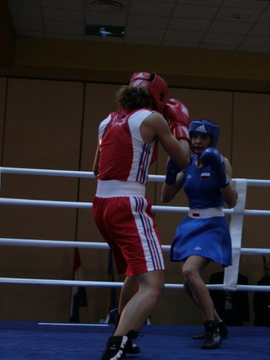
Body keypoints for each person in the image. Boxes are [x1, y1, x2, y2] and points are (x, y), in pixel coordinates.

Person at [92, 72, 191, 360]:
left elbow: (96, 170)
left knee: (135, 273)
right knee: (154, 285)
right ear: (158, 96)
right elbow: (184, 159)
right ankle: (117, 344)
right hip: (128, 205)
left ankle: (123, 331)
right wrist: (180, 126)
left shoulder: (107, 120)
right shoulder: (152, 118)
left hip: (101, 204)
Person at [161, 119, 238, 350]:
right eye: (194, 136)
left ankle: (210, 327)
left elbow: (232, 201)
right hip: (190, 225)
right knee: (188, 284)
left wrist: (221, 175)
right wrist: (170, 174)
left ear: (212, 140)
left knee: (190, 271)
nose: (197, 141)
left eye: (203, 137)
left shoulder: (221, 161)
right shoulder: (187, 164)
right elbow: (166, 197)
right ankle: (219, 324)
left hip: (212, 224)